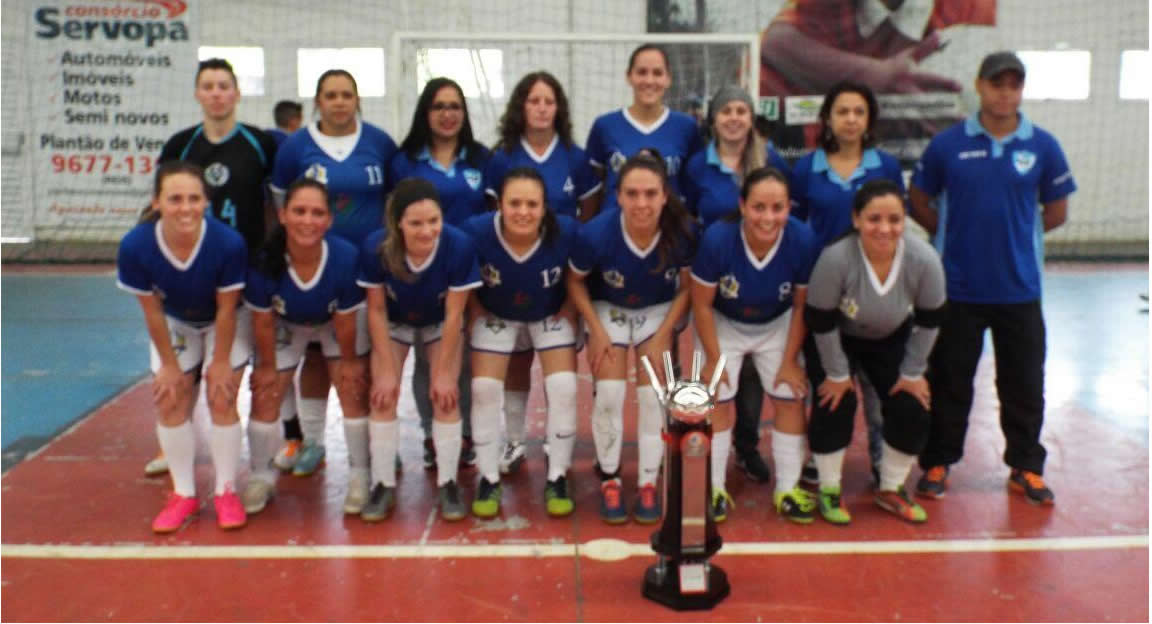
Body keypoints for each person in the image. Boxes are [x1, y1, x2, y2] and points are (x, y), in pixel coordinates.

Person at [910, 51, 1076, 506]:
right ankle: (939, 462)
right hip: (957, 288)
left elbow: (1057, 210)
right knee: (949, 380)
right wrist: (949, 233)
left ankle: (1025, 466)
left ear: (1020, 91)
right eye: (997, 84)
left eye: (1014, 85)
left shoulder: (1042, 145)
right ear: (979, 86)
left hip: (1020, 290)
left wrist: (1018, 235)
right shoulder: (947, 144)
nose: (1005, 93)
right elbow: (918, 198)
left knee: (1023, 383)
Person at [147, 58, 276, 479]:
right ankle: (176, 442)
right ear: (198, 94)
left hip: (245, 268)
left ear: (237, 94)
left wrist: (274, 256)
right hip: (190, 270)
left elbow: (274, 204)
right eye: (209, 86)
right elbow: (161, 206)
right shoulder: (181, 146)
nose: (217, 93)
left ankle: (279, 444)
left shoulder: (259, 143)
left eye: (224, 85)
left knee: (256, 364)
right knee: (187, 366)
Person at [270, 69, 398, 479]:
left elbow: (396, 201)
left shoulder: (379, 143)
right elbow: (279, 204)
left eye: (347, 94)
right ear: (318, 101)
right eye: (331, 95)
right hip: (312, 265)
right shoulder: (295, 147)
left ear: (357, 100)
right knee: (315, 357)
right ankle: (311, 442)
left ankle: (380, 440)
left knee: (370, 358)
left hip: (369, 268)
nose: (339, 101)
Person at [116, 162, 251, 533]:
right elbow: (153, 312)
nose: (185, 207)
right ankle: (184, 493)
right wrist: (171, 367)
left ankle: (225, 491)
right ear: (157, 202)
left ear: (206, 202)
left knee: (222, 395)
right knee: (170, 396)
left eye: (194, 199)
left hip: (224, 320)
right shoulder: (136, 246)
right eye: (175, 199)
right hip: (175, 322)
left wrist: (220, 362)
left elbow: (226, 308)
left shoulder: (227, 243)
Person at [804, 178, 945, 524]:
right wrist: (837, 374)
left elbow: (930, 320)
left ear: (905, 220)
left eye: (894, 220)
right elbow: (820, 321)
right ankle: (829, 488)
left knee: (913, 405)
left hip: (890, 337)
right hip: (837, 335)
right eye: (874, 219)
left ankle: (891, 488)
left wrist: (912, 374)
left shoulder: (924, 259)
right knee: (833, 400)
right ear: (856, 219)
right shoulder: (835, 258)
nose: (884, 228)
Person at [567, 152, 696, 525]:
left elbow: (686, 289)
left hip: (658, 310)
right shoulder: (595, 234)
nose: (642, 203)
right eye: (632, 194)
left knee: (652, 395)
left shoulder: (683, 231)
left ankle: (647, 482)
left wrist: (665, 333)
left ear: (664, 195)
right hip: (609, 307)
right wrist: (595, 328)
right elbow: (574, 281)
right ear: (618, 196)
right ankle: (609, 476)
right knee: (608, 394)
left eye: (650, 194)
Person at [484, 71, 601, 476]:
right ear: (521, 106)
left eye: (548, 101)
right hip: (514, 274)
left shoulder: (574, 156)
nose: (540, 108)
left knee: (560, 371)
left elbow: (587, 217)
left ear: (559, 108)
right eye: (533, 100)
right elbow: (492, 220)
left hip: (559, 278)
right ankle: (515, 440)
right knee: (516, 363)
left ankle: (557, 440)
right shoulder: (502, 156)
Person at [791, 81, 907, 484]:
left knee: (877, 388)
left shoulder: (887, 168)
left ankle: (881, 456)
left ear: (869, 119)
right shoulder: (806, 168)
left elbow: (896, 228)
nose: (851, 119)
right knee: (827, 382)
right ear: (828, 118)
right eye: (842, 111)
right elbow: (795, 228)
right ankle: (819, 457)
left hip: (874, 295)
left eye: (859, 112)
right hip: (824, 295)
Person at [691, 167, 817, 524]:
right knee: (716, 397)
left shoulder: (803, 239)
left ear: (789, 208)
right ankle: (713, 487)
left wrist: (790, 359)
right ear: (744, 206)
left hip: (777, 324)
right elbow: (700, 303)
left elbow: (801, 306)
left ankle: (788, 489)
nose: (768, 217)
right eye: (759, 207)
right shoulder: (718, 238)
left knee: (790, 395)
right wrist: (714, 360)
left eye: (777, 208)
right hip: (723, 322)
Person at [681, 86, 792, 485]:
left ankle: (747, 448)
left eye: (741, 110)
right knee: (719, 373)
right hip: (716, 282)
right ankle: (707, 457)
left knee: (752, 378)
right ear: (713, 118)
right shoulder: (697, 166)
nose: (733, 117)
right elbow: (686, 215)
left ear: (751, 118)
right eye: (725, 110)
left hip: (762, 284)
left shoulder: (771, 160)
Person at [242, 178, 370, 516]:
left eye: (317, 213)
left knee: (352, 388)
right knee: (265, 393)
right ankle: (260, 476)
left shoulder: (344, 257)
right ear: (283, 215)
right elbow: (263, 321)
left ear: (329, 220)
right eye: (299, 211)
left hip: (332, 324)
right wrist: (266, 367)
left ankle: (360, 474)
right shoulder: (263, 261)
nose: (308, 220)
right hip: (286, 325)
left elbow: (344, 322)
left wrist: (349, 362)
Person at [358, 178, 482, 521]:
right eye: (416, 223)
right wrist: (384, 370)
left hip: (440, 320)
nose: (427, 231)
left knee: (445, 395)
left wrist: (444, 374)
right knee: (381, 395)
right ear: (398, 222)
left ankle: (448, 482)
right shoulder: (377, 248)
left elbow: (456, 313)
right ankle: (382, 483)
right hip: (395, 321)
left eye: (434, 221)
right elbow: (377, 310)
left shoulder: (459, 247)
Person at [462, 168, 581, 518]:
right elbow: (463, 278)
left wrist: (571, 310)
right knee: (484, 387)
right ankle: (488, 476)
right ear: (499, 204)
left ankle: (557, 475)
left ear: (546, 207)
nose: (523, 211)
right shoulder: (476, 232)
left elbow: (578, 276)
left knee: (563, 386)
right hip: (497, 312)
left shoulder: (567, 233)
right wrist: (475, 310)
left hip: (549, 312)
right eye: (515, 203)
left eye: (532, 203)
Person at [392, 77, 492, 470]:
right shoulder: (404, 161)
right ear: (425, 113)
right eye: (439, 107)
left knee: (464, 356)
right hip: (419, 275)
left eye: (455, 106)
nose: (447, 114)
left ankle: (463, 431)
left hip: (468, 273)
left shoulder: (481, 159)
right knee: (427, 357)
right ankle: (432, 431)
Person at [585, 44, 703, 214]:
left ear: (668, 78)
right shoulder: (605, 126)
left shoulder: (686, 127)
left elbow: (692, 184)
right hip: (615, 231)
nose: (649, 80)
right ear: (629, 77)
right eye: (641, 72)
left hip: (670, 231)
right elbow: (595, 185)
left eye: (657, 73)